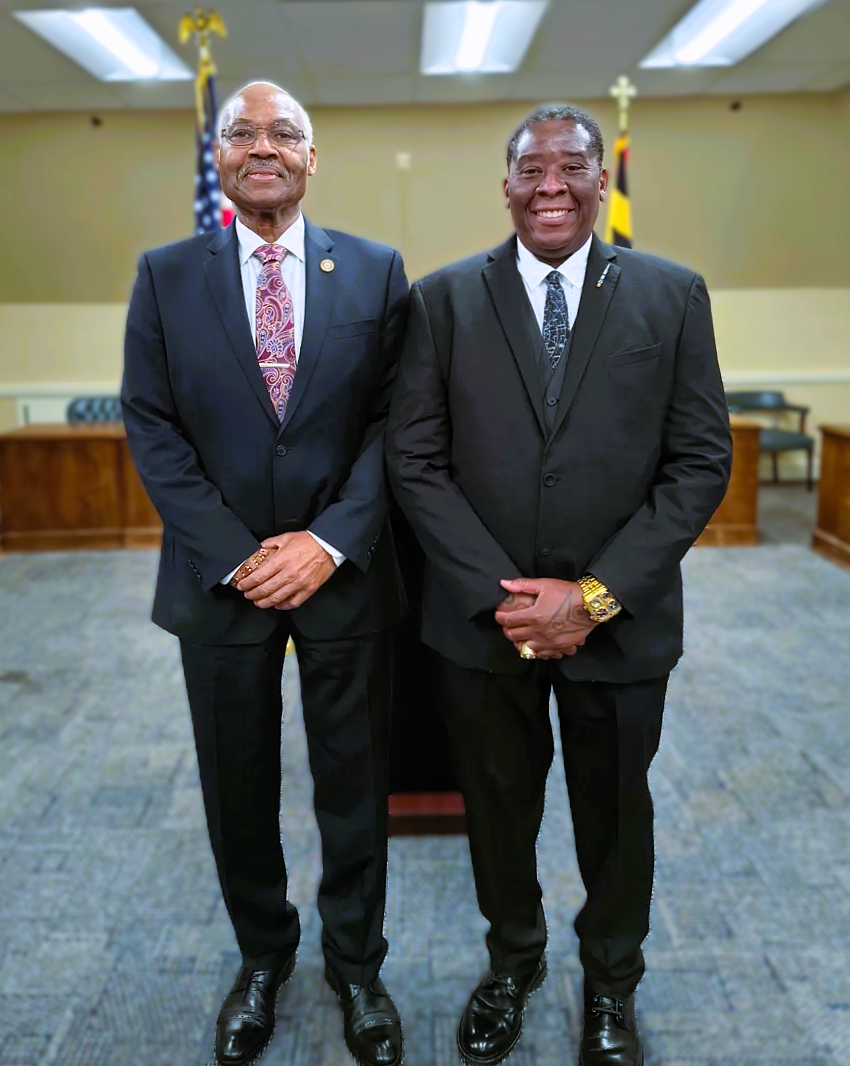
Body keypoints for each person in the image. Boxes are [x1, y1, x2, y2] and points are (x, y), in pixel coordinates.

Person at [386, 103, 732, 1066]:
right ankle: (514, 962)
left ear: (600, 180)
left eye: (573, 167)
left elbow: (699, 462)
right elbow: (415, 462)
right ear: (505, 186)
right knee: (498, 806)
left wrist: (593, 597)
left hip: (619, 628)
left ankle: (612, 985)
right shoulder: (442, 301)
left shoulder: (671, 295)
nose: (551, 186)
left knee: (617, 815)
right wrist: (507, 595)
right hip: (482, 627)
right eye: (531, 170)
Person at [122, 81, 407, 1066]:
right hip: (221, 580)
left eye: (283, 131)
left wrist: (326, 540)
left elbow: (395, 424)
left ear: (312, 156)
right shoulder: (164, 276)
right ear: (219, 160)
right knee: (235, 782)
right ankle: (261, 956)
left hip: (345, 573)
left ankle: (357, 963)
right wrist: (240, 553)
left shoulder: (375, 271)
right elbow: (151, 426)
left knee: (354, 779)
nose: (261, 146)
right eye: (239, 133)